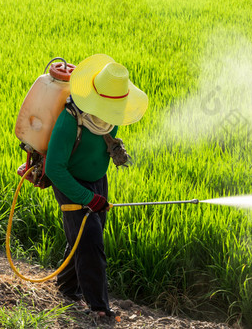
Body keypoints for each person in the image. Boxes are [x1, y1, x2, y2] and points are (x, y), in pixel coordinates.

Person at [45, 54, 148, 318]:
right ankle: (99, 308)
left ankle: (67, 288)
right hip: (70, 181)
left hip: (97, 181)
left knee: (85, 235)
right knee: (91, 240)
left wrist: (113, 148)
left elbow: (100, 140)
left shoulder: (109, 117)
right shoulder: (70, 120)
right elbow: (54, 168)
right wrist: (87, 198)